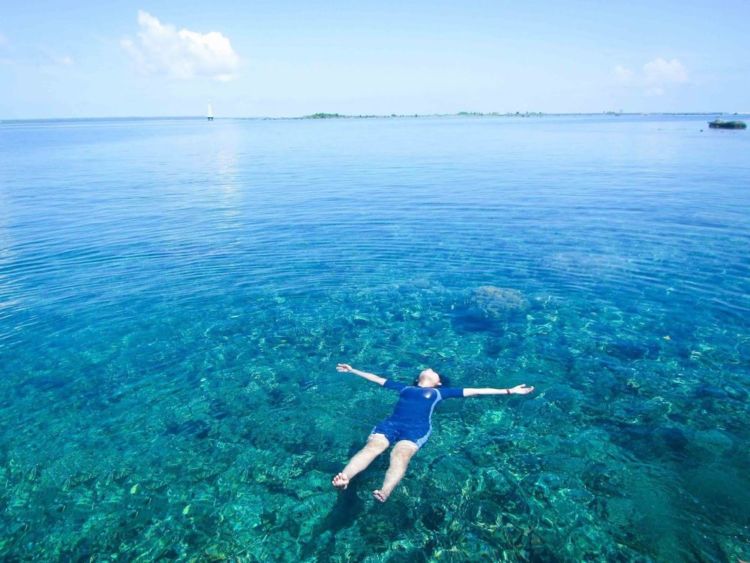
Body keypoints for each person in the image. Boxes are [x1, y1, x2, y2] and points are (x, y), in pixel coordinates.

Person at [332, 363, 535, 502]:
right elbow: (377, 379)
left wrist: (509, 390)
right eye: (427, 368)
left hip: (416, 429)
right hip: (391, 424)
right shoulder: (404, 388)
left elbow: (477, 390)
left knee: (400, 455)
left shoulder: (441, 392)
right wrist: (352, 370)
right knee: (373, 447)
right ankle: (345, 478)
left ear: (438, 382)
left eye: (433, 370)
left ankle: (385, 491)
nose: (429, 369)